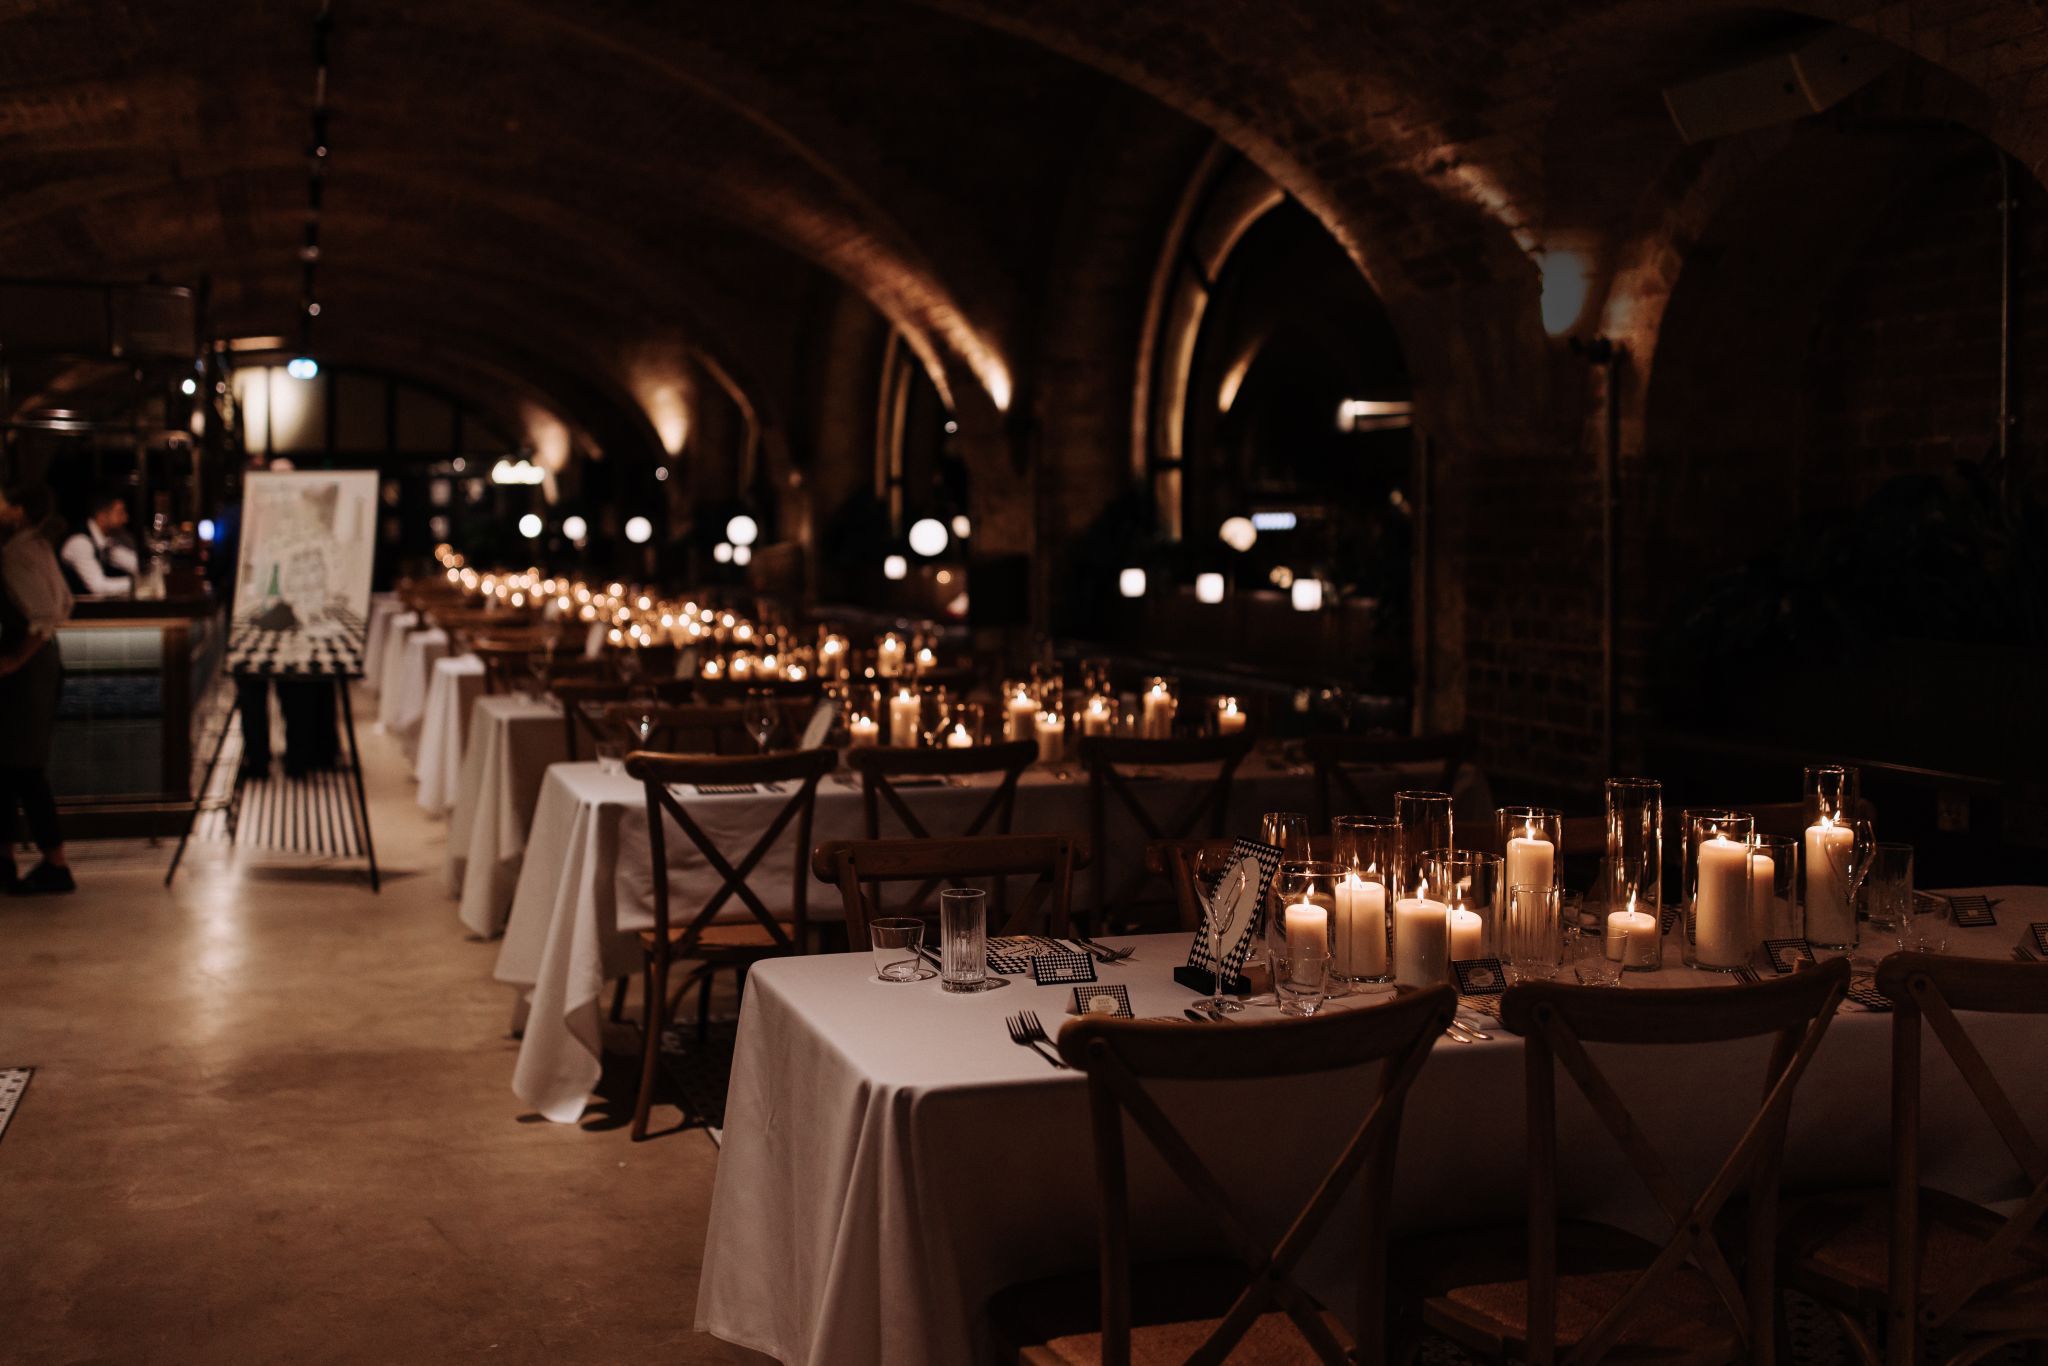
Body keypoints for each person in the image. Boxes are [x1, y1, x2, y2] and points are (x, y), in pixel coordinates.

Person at [0, 484, 77, 893]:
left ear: (20, 510)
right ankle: (9, 857)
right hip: (44, 665)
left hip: (26, 671)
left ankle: (55, 863)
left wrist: (15, 659)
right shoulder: (37, 547)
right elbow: (66, 603)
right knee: (14, 767)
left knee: (24, 768)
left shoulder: (14, 553)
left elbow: (45, 615)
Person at [59, 486, 138, 596]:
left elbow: (134, 564)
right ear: (102, 516)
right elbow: (98, 586)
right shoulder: (80, 542)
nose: (126, 518)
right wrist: (140, 584)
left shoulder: (106, 541)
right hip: (78, 611)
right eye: (120, 513)